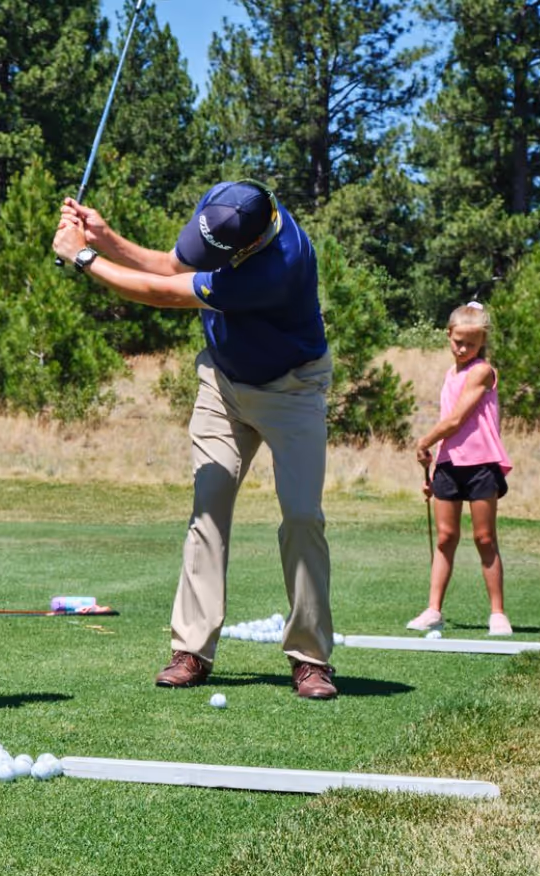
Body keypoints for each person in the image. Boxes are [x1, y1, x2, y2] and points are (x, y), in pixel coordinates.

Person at [53, 180, 337, 699]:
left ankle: (311, 658)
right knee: (208, 509)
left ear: (249, 245)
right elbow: (172, 264)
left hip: (292, 389)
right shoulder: (235, 204)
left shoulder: (278, 267)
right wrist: (107, 237)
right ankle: (191, 649)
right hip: (223, 384)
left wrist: (85, 258)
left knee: (301, 516)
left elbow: (162, 293)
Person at [408, 301, 513, 636]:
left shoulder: (482, 371)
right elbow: (451, 432)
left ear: (482, 341)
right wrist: (433, 455)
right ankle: (433, 610)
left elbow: (455, 420)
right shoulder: (449, 375)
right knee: (445, 537)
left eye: (471, 342)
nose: (463, 348)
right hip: (450, 465)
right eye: (458, 341)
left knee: (484, 538)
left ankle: (498, 614)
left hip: (482, 463)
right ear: (448, 335)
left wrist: (424, 440)